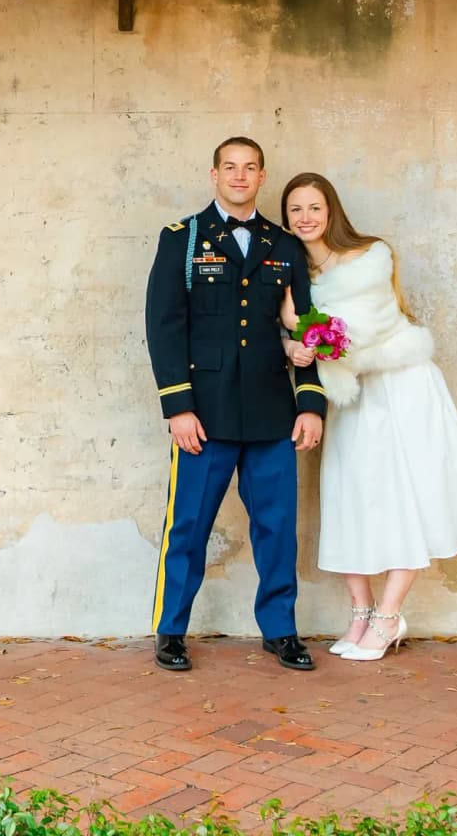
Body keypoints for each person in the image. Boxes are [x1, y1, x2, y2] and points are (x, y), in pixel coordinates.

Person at [278, 173, 457, 662]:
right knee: (350, 498)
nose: (305, 218)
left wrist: (315, 341)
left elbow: (365, 328)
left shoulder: (370, 256)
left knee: (407, 495)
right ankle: (360, 612)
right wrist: (292, 343)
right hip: (349, 396)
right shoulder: (293, 273)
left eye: (314, 207)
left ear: (331, 210)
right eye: (295, 209)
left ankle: (389, 614)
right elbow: (292, 330)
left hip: (401, 385)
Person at [144, 137, 328, 674]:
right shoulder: (182, 238)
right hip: (205, 413)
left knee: (277, 528)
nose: (240, 176)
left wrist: (310, 402)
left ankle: (280, 631)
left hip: (273, 411)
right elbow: (164, 326)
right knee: (188, 527)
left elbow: (308, 326)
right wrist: (178, 406)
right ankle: (171, 631)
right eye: (231, 167)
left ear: (263, 177)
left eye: (250, 168)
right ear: (214, 174)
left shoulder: (284, 244)